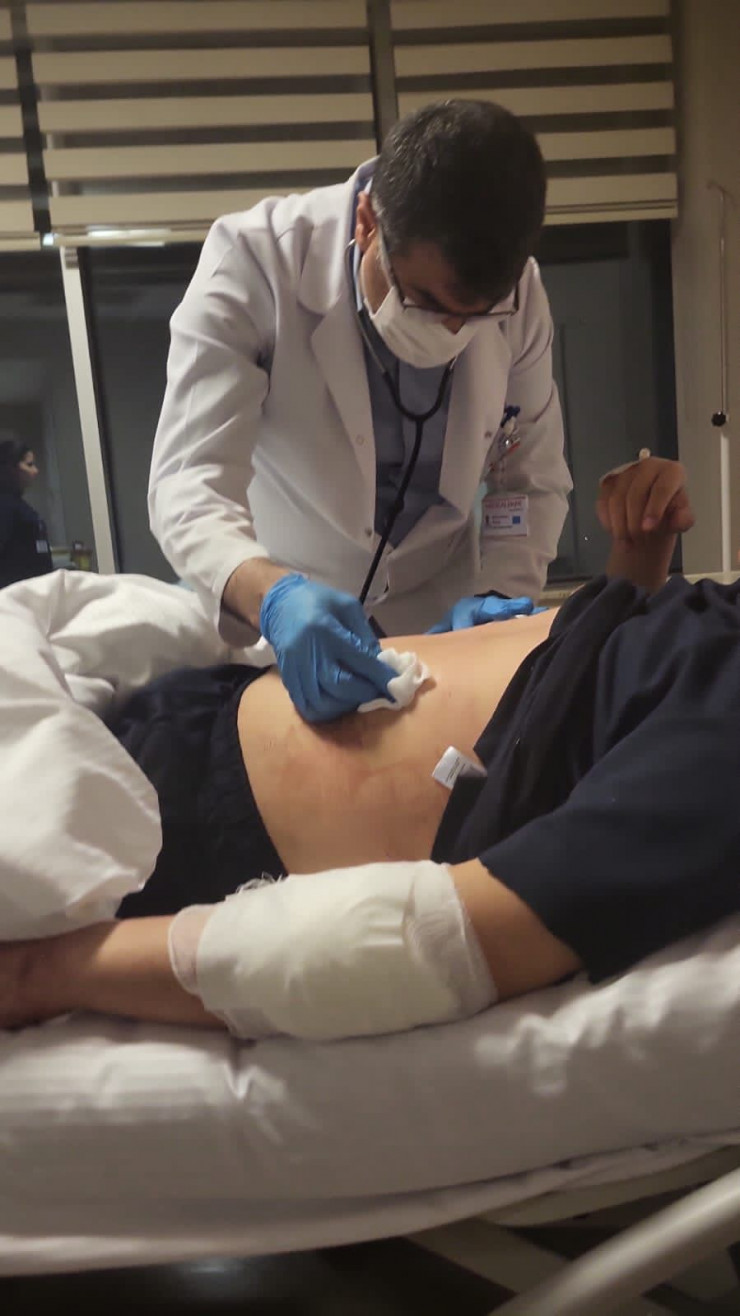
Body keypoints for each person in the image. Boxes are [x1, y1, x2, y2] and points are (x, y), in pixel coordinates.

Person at [7, 454, 732, 1048]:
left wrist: (42, 974)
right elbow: (611, 717)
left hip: (168, 822)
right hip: (190, 713)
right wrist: (636, 568)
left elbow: (455, 937)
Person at [149, 99, 573, 724]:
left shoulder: (520, 293)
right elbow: (188, 485)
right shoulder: (255, 261)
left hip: (444, 620)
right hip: (293, 611)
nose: (452, 331)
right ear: (367, 223)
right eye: (425, 300)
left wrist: (499, 596)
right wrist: (273, 596)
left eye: (476, 315)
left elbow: (528, 479)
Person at [0, 435, 53, 589]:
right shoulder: (4, 505)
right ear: (11, 468)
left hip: (32, 588)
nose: (35, 471)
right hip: (14, 592)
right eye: (29, 465)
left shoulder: (18, 504)